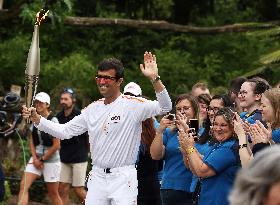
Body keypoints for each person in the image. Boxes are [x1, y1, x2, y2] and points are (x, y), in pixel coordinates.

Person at [22, 52, 172, 205]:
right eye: (99, 77)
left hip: (123, 177)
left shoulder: (133, 104)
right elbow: (64, 131)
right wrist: (37, 119)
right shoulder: (92, 109)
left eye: (107, 78)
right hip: (97, 176)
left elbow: (165, 106)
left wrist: (155, 78)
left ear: (119, 81)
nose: (101, 82)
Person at [178, 107, 240, 205]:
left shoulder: (228, 148)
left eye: (223, 125)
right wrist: (186, 150)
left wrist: (190, 148)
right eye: (215, 124)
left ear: (233, 127)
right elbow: (195, 170)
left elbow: (201, 170)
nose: (218, 128)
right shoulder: (219, 144)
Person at [150, 94, 199, 205]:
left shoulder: (201, 131)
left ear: (194, 111)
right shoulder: (170, 132)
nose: (182, 111)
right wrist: (160, 131)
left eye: (186, 108)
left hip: (192, 188)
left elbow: (196, 153)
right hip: (170, 187)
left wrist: (185, 128)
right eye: (178, 109)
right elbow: (155, 155)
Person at [18, 92, 62, 205]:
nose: (38, 104)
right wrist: (35, 158)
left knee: (53, 193)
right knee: (23, 186)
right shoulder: (34, 118)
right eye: (37, 101)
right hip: (36, 158)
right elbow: (31, 140)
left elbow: (57, 145)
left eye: (41, 102)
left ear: (47, 104)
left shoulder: (53, 121)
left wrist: (41, 160)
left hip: (51, 160)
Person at [123, 82, 162, 205]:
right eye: (127, 97)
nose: (131, 101)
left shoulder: (154, 126)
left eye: (134, 97)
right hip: (130, 184)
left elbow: (159, 158)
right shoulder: (118, 122)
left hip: (147, 184)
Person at [56, 88, 88, 205]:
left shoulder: (80, 116)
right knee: (62, 188)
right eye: (62, 99)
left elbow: (89, 136)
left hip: (79, 158)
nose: (63, 101)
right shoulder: (58, 117)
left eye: (66, 99)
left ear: (73, 100)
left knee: (78, 190)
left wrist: (88, 151)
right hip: (64, 158)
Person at [235, 88, 280, 167]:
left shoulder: (277, 133)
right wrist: (249, 136)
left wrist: (241, 135)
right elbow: (254, 154)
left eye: (264, 105)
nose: (260, 109)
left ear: (276, 109)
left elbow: (249, 167)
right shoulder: (273, 131)